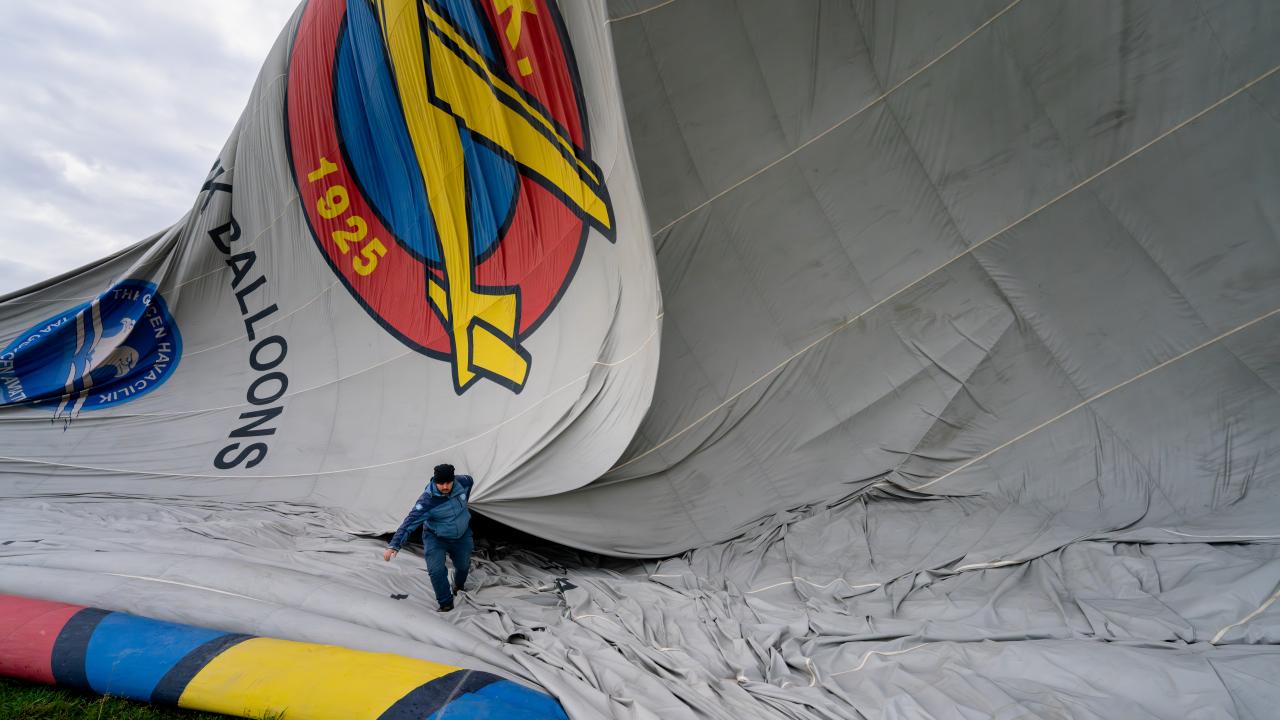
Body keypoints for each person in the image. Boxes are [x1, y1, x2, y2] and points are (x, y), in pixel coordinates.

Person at [382, 463, 475, 612]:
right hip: (436, 537)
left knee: (463, 566)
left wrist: (463, 506)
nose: (445, 486)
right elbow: (409, 522)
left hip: (461, 535)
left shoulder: (464, 482)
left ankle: (458, 586)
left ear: (453, 480)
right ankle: (445, 603)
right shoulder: (427, 501)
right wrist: (394, 545)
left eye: (448, 482)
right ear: (435, 481)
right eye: (441, 483)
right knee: (436, 570)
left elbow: (470, 481)